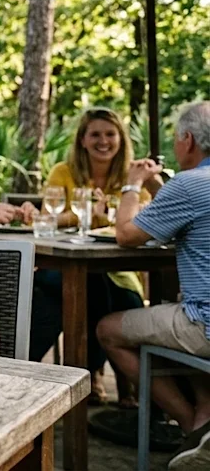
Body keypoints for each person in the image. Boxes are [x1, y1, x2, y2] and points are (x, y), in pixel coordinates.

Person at [99, 102, 210, 470]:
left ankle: (191, 426)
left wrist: (132, 184)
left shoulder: (190, 184)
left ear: (188, 140)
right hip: (193, 316)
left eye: (177, 139)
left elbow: (126, 234)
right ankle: (206, 419)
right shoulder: (187, 186)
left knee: (109, 329)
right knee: (167, 316)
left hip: (204, 324)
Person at [33, 107, 149, 406]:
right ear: (82, 140)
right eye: (95, 134)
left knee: (128, 301)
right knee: (94, 291)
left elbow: (145, 219)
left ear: (120, 140)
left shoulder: (132, 178)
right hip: (66, 265)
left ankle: (115, 377)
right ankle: (99, 375)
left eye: (110, 134)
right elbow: (48, 219)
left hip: (118, 268)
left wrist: (110, 214)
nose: (103, 141)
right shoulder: (64, 171)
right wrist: (84, 216)